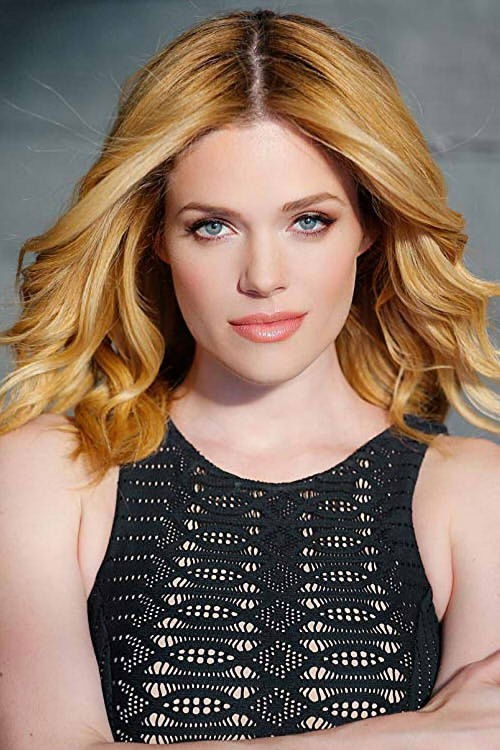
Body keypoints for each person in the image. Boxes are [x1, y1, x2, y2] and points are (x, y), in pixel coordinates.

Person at [0, 7, 499, 749]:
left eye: (309, 221)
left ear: (370, 223)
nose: (263, 277)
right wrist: (420, 734)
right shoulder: (48, 475)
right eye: (213, 225)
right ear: (158, 237)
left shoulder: (476, 495)